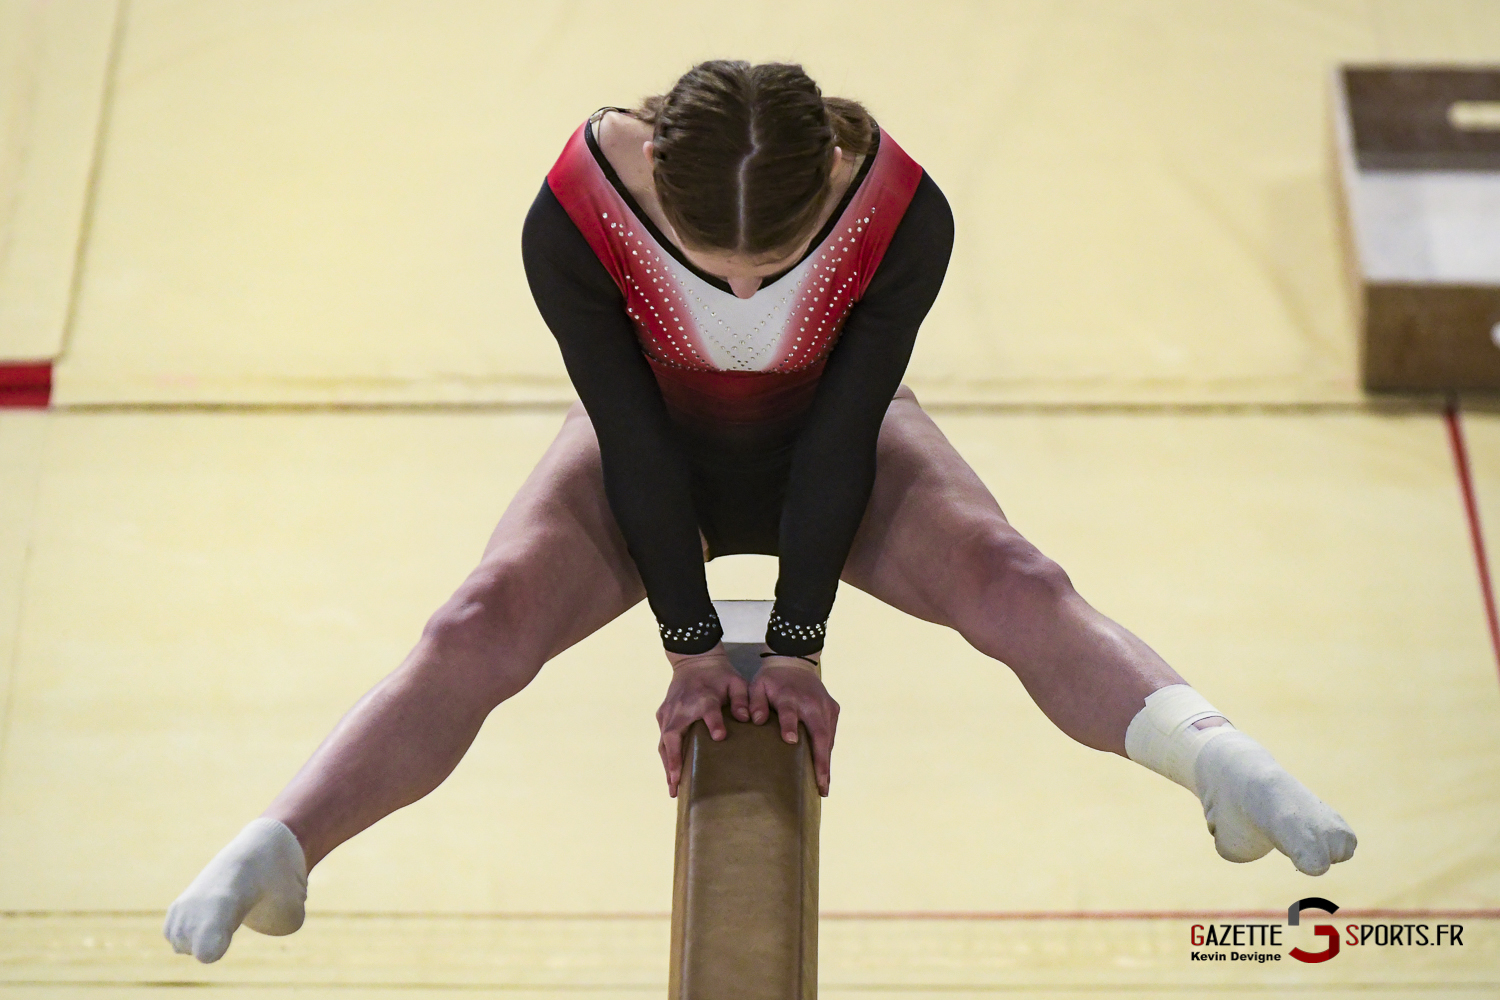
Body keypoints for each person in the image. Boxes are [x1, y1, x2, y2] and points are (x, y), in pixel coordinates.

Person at [164, 60, 1356, 964]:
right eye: (710, 262)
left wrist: (796, 646)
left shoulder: (899, 212)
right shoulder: (575, 211)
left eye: (771, 264)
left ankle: (1217, 757)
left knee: (1012, 575)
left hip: (838, 433)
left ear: (830, 182)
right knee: (478, 617)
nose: (741, 288)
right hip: (651, 438)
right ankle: (283, 841)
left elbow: (841, 436)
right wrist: (693, 649)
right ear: (658, 192)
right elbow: (631, 434)